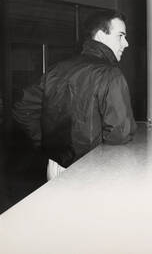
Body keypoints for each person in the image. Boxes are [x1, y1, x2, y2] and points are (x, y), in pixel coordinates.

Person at [13, 10, 137, 180]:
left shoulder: (57, 69)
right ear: (101, 36)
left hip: (55, 167)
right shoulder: (110, 74)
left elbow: (23, 109)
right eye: (120, 36)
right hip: (92, 170)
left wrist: (44, 142)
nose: (126, 43)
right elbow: (120, 135)